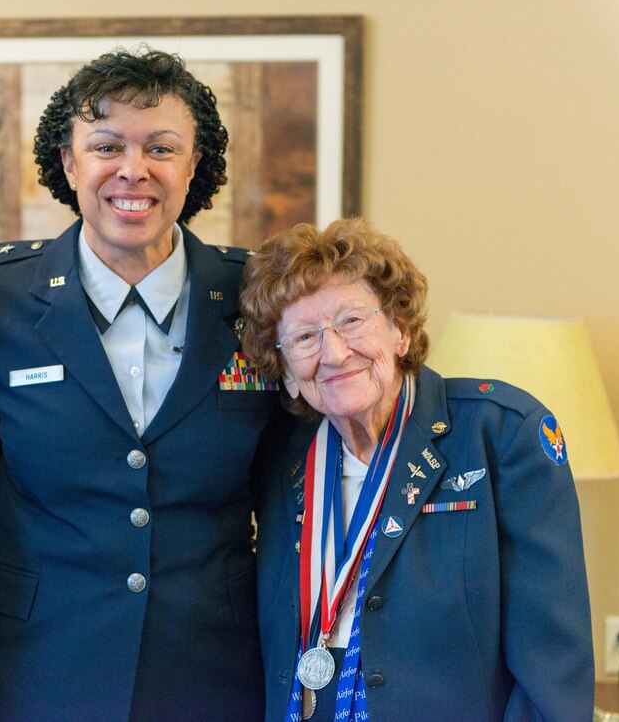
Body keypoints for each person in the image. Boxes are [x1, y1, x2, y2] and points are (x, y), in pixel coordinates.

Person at [0, 47, 279, 720]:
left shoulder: (257, 297)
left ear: (195, 165)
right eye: (106, 146)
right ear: (69, 164)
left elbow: (287, 490)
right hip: (39, 666)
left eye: (162, 147)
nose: (134, 170)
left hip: (213, 669)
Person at [239, 218, 594, 721]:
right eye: (304, 337)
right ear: (288, 375)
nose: (334, 352)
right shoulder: (276, 460)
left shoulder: (498, 435)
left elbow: (554, 671)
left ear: (400, 330)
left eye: (351, 321)